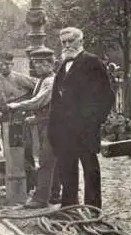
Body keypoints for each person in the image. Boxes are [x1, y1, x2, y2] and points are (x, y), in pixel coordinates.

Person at [48, 27, 114, 209]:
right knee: (67, 168)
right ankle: (69, 206)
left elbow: (107, 96)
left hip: (85, 129)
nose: (67, 45)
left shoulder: (92, 62)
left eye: (71, 41)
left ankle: (93, 208)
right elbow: (57, 98)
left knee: (90, 169)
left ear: (81, 42)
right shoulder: (63, 64)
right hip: (65, 130)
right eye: (64, 42)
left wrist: (93, 122)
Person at [7, 47, 60, 208]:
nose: (36, 66)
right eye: (35, 63)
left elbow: (38, 101)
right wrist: (35, 118)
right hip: (47, 123)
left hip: (53, 126)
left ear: (49, 64)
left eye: (40, 63)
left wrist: (17, 105)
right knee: (52, 161)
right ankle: (54, 194)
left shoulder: (50, 81)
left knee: (46, 161)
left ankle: (40, 199)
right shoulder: (42, 80)